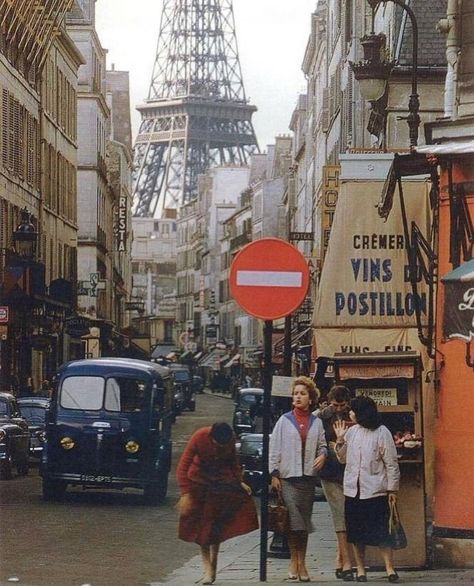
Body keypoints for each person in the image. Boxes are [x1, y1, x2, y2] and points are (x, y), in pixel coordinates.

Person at [176, 422, 258, 585]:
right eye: (216, 443)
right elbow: (182, 467)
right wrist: (186, 494)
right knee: (204, 529)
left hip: (221, 484)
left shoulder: (230, 438)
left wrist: (240, 481)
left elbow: (233, 463)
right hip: (199, 484)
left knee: (217, 528)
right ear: (211, 437)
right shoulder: (199, 437)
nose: (219, 446)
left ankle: (214, 564)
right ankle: (207, 569)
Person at [334, 396, 400, 583]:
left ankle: (389, 568)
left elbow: (391, 463)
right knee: (356, 534)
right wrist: (340, 441)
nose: (350, 413)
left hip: (375, 490)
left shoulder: (382, 432)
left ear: (363, 412)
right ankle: (361, 569)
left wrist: (392, 490)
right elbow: (342, 459)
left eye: (353, 410)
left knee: (382, 533)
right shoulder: (351, 432)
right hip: (353, 491)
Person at [269, 376, 327, 582]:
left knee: (303, 523)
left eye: (302, 394)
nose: (298, 397)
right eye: (295, 394)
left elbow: (322, 445)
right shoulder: (284, 421)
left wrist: (323, 455)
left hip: (307, 480)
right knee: (295, 523)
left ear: (311, 398)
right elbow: (274, 447)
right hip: (288, 478)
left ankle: (300, 560)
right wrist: (274, 473)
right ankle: (296, 562)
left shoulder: (317, 422)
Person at [316, 385, 354, 581]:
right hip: (330, 473)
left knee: (347, 516)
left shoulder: (353, 415)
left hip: (349, 473)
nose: (338, 409)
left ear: (347, 402)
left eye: (342, 405)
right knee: (340, 515)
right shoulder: (322, 417)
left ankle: (340, 558)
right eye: (335, 405)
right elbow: (318, 442)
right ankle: (347, 562)